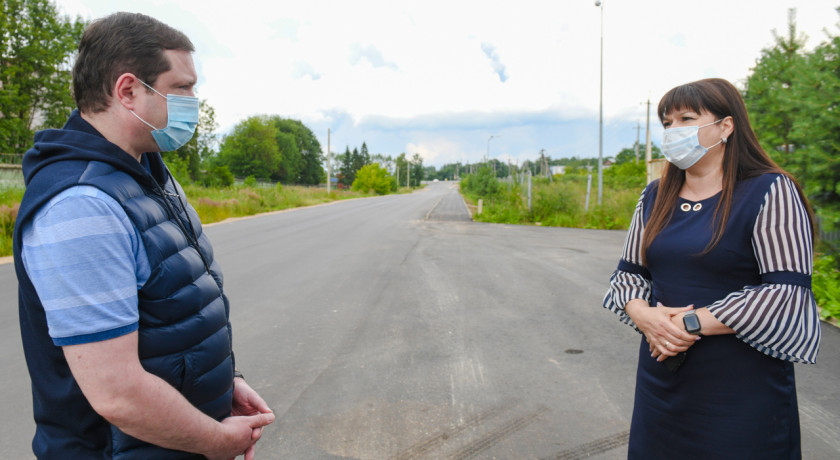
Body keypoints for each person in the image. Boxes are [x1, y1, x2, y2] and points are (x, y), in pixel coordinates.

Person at [13, 12, 274, 459]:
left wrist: (223, 379)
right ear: (128, 90)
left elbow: (173, 314)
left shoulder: (147, 171)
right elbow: (118, 394)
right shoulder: (82, 205)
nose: (194, 100)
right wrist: (215, 442)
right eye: (182, 87)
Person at [603, 78, 821, 459]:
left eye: (687, 118)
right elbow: (629, 275)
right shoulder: (655, 195)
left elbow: (786, 293)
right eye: (667, 123)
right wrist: (644, 315)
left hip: (739, 387)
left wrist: (686, 323)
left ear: (726, 126)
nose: (673, 131)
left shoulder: (770, 190)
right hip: (662, 377)